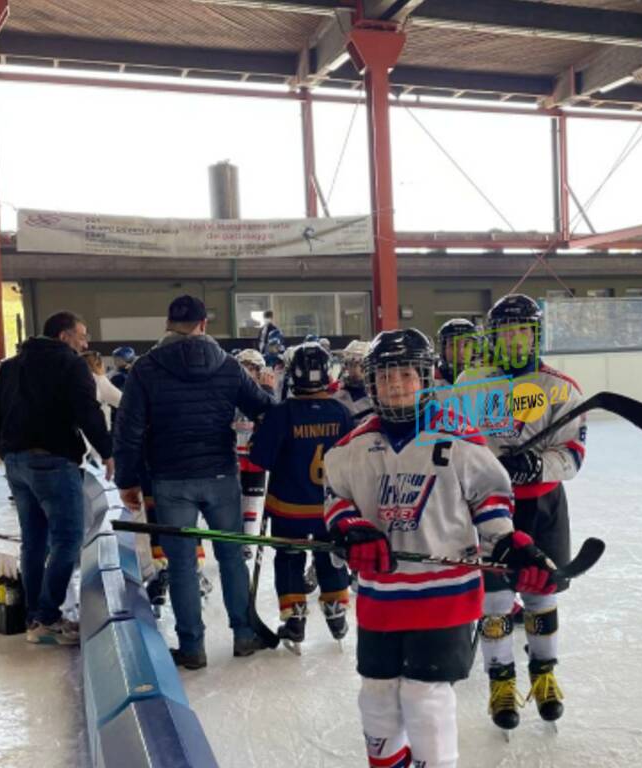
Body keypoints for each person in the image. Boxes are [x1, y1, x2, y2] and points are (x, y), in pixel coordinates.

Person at [323, 328, 556, 767]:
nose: (395, 385)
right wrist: (351, 529)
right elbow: (336, 498)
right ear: (371, 383)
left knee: (424, 696)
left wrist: (508, 541)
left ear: (426, 378)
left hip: (443, 594)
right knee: (376, 692)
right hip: (380, 594)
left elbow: (490, 499)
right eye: (386, 376)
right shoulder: (350, 447)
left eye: (406, 375)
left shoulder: (459, 439)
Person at [113, 295, 275, 669]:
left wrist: (127, 478)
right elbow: (263, 409)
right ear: (204, 324)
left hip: (170, 479)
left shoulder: (146, 368)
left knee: (183, 564)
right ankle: (244, 634)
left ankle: (192, 647)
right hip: (221, 475)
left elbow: (129, 430)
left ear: (168, 324)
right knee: (232, 557)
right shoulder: (228, 367)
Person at [457, 293, 588, 729]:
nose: (513, 339)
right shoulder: (470, 384)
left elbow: (573, 455)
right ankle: (500, 682)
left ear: (536, 334)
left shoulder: (561, 387)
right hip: (488, 510)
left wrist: (536, 464)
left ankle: (545, 674)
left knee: (540, 593)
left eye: (522, 330)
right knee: (494, 601)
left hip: (543, 505)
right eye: (505, 331)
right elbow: (454, 444)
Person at [0, 311, 113, 646]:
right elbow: (89, 412)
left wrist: (9, 452)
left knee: (34, 540)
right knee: (68, 539)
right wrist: (109, 452)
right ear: (63, 336)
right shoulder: (71, 366)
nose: (85, 343)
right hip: (53, 462)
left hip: (17, 465)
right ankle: (46, 616)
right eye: (81, 336)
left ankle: (34, 617)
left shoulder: (11, 366)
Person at [249, 343, 354, 650]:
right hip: (329, 508)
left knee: (289, 558)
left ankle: (295, 618)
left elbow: (258, 461)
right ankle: (336, 612)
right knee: (330, 556)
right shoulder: (341, 412)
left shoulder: (281, 414)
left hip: (288, 508)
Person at [233, 349, 276, 549]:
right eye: (244, 368)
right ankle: (236, 538)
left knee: (252, 499)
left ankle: (247, 542)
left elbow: (274, 416)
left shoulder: (263, 394)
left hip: (254, 455)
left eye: (253, 368)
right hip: (231, 455)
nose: (249, 373)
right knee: (232, 499)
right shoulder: (228, 393)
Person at [328, 340, 373, 424]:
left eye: (361, 365)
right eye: (351, 364)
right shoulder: (336, 395)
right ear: (346, 366)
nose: (356, 370)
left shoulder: (377, 396)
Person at [81, 350, 122, 430]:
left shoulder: (76, 379)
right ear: (98, 364)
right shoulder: (99, 380)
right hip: (96, 434)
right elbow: (123, 402)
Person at [435, 318, 478, 387]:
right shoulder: (430, 380)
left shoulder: (483, 381)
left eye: (466, 345)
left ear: (474, 350)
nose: (460, 352)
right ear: (443, 349)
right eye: (453, 345)